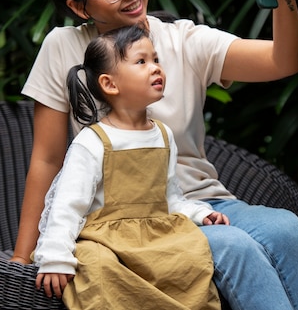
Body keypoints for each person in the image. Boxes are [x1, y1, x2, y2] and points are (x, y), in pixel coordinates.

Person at [14, 0, 298, 310]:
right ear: (80, 7)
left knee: (288, 229)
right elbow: (47, 159)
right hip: (122, 218)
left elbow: (284, 61)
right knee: (236, 248)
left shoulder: (184, 40)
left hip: (202, 203)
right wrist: (21, 258)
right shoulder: (62, 48)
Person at [33, 24, 228, 309]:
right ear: (110, 84)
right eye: (141, 62)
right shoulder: (94, 141)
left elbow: (170, 198)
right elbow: (67, 206)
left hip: (156, 235)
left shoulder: (163, 135)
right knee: (96, 267)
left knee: (191, 257)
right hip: (105, 238)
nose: (155, 68)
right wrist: (55, 257)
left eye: (156, 59)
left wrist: (200, 212)